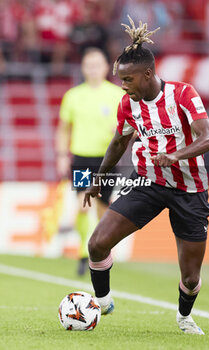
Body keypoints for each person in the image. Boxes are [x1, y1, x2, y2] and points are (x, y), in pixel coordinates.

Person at [83, 17, 209, 335]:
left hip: (190, 189)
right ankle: (102, 302)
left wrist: (175, 156)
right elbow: (119, 141)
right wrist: (99, 178)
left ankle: (184, 316)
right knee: (97, 244)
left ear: (148, 74)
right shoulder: (128, 104)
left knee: (191, 277)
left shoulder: (183, 95)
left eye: (127, 79)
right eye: (121, 80)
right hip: (148, 182)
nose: (123, 86)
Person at [56, 47, 124, 275]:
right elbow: (63, 129)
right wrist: (62, 155)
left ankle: (101, 251)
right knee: (83, 204)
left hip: (107, 158)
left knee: (104, 209)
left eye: (97, 65)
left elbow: (132, 129)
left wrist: (121, 132)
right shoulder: (73, 96)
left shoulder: (117, 95)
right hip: (82, 158)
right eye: (89, 65)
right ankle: (85, 253)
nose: (93, 69)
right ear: (83, 68)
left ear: (106, 67)